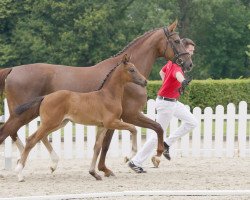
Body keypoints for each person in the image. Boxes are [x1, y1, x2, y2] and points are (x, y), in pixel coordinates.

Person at [128, 38, 198, 173]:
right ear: (183, 49)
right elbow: (177, 75)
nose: (191, 53)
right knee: (156, 135)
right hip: (166, 104)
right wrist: (182, 81)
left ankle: (166, 144)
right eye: (190, 51)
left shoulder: (171, 62)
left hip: (171, 102)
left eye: (192, 51)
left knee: (192, 122)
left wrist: (168, 85)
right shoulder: (177, 66)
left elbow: (162, 72)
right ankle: (135, 162)